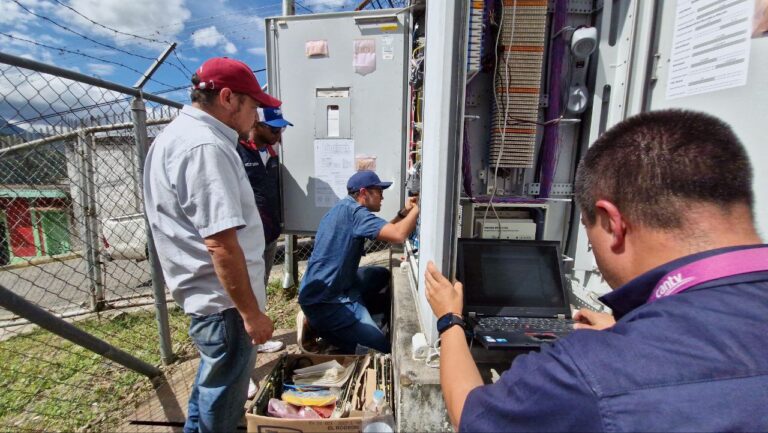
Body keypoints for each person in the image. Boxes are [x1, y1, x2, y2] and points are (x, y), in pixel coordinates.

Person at [425, 109, 768, 432]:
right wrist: (630, 328)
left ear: (612, 223)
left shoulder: (590, 371)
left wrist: (449, 320)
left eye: (589, 234)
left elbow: (472, 416)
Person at [143, 57, 278, 433]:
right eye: (253, 105)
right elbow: (220, 243)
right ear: (228, 98)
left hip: (214, 300)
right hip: (226, 305)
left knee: (211, 386)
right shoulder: (205, 147)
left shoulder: (180, 136)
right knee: (223, 402)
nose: (256, 116)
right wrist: (251, 314)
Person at [299, 170, 419, 354]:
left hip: (330, 284)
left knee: (381, 275)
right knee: (381, 349)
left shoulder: (343, 208)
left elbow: (385, 231)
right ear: (364, 193)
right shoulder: (356, 213)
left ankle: (336, 319)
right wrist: (419, 208)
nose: (382, 197)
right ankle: (319, 326)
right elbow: (398, 234)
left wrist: (404, 213)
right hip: (326, 301)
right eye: (379, 192)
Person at [236, 108, 293, 398]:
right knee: (243, 301)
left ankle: (256, 344)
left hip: (267, 237)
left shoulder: (270, 153)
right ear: (256, 123)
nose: (278, 134)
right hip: (244, 241)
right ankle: (242, 373)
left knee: (259, 293)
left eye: (281, 129)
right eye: (273, 129)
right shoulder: (236, 151)